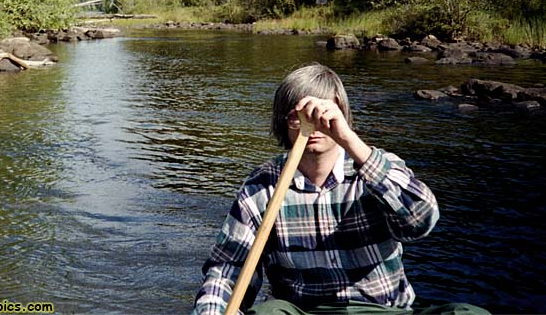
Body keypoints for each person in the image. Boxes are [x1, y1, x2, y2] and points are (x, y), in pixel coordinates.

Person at [192, 63, 489, 315]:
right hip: (306, 311)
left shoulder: (378, 167)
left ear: (341, 115)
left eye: (322, 114)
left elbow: (421, 221)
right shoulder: (261, 187)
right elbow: (228, 268)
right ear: (283, 123)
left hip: (385, 310)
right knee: (269, 312)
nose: (312, 125)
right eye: (298, 115)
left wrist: (352, 143)